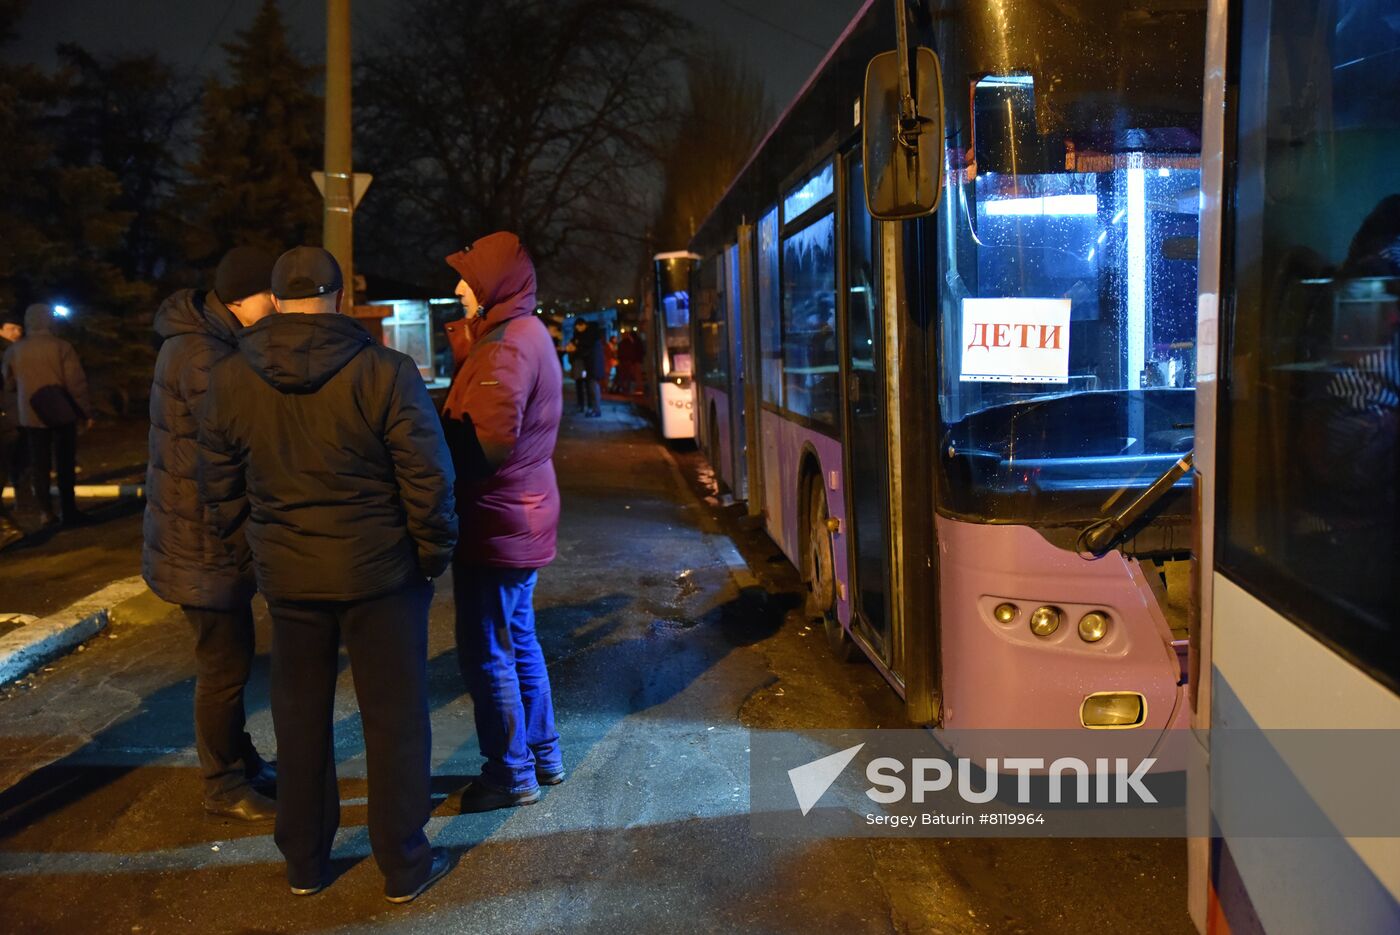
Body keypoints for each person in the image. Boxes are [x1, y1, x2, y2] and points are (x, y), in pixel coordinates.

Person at [198, 246, 457, 903]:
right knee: (395, 721)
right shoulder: (387, 372)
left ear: (279, 301)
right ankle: (402, 863)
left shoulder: (231, 377)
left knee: (300, 719)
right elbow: (428, 479)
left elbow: (218, 487)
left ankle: (306, 863)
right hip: (381, 575)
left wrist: (257, 552)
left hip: (290, 579)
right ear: (340, 298)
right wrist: (428, 555)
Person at [143, 247, 280, 822]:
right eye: (271, 295)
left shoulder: (205, 342)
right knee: (223, 667)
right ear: (244, 299)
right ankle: (223, 783)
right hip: (200, 541)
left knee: (230, 659)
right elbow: (230, 441)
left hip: (197, 535)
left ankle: (239, 760)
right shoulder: (204, 356)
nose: (277, 305)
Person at [440, 232, 564, 813]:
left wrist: (430, 448)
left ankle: (511, 772)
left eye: (469, 278)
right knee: (519, 639)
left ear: (492, 285)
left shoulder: (507, 346)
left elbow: (483, 446)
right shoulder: (521, 334)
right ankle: (543, 754)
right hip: (521, 508)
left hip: (497, 516)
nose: (459, 287)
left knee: (488, 650)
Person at [0, 304, 93, 527]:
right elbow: (75, 383)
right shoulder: (62, 347)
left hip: (30, 415)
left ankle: (46, 512)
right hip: (62, 412)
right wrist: (85, 411)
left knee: (39, 464)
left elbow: (9, 384)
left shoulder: (14, 350)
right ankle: (69, 511)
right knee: (64, 462)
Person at [0, 316, 24, 547]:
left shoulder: (11, 351)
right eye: (12, 327)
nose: (17, 332)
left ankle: (6, 527)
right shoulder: (9, 352)